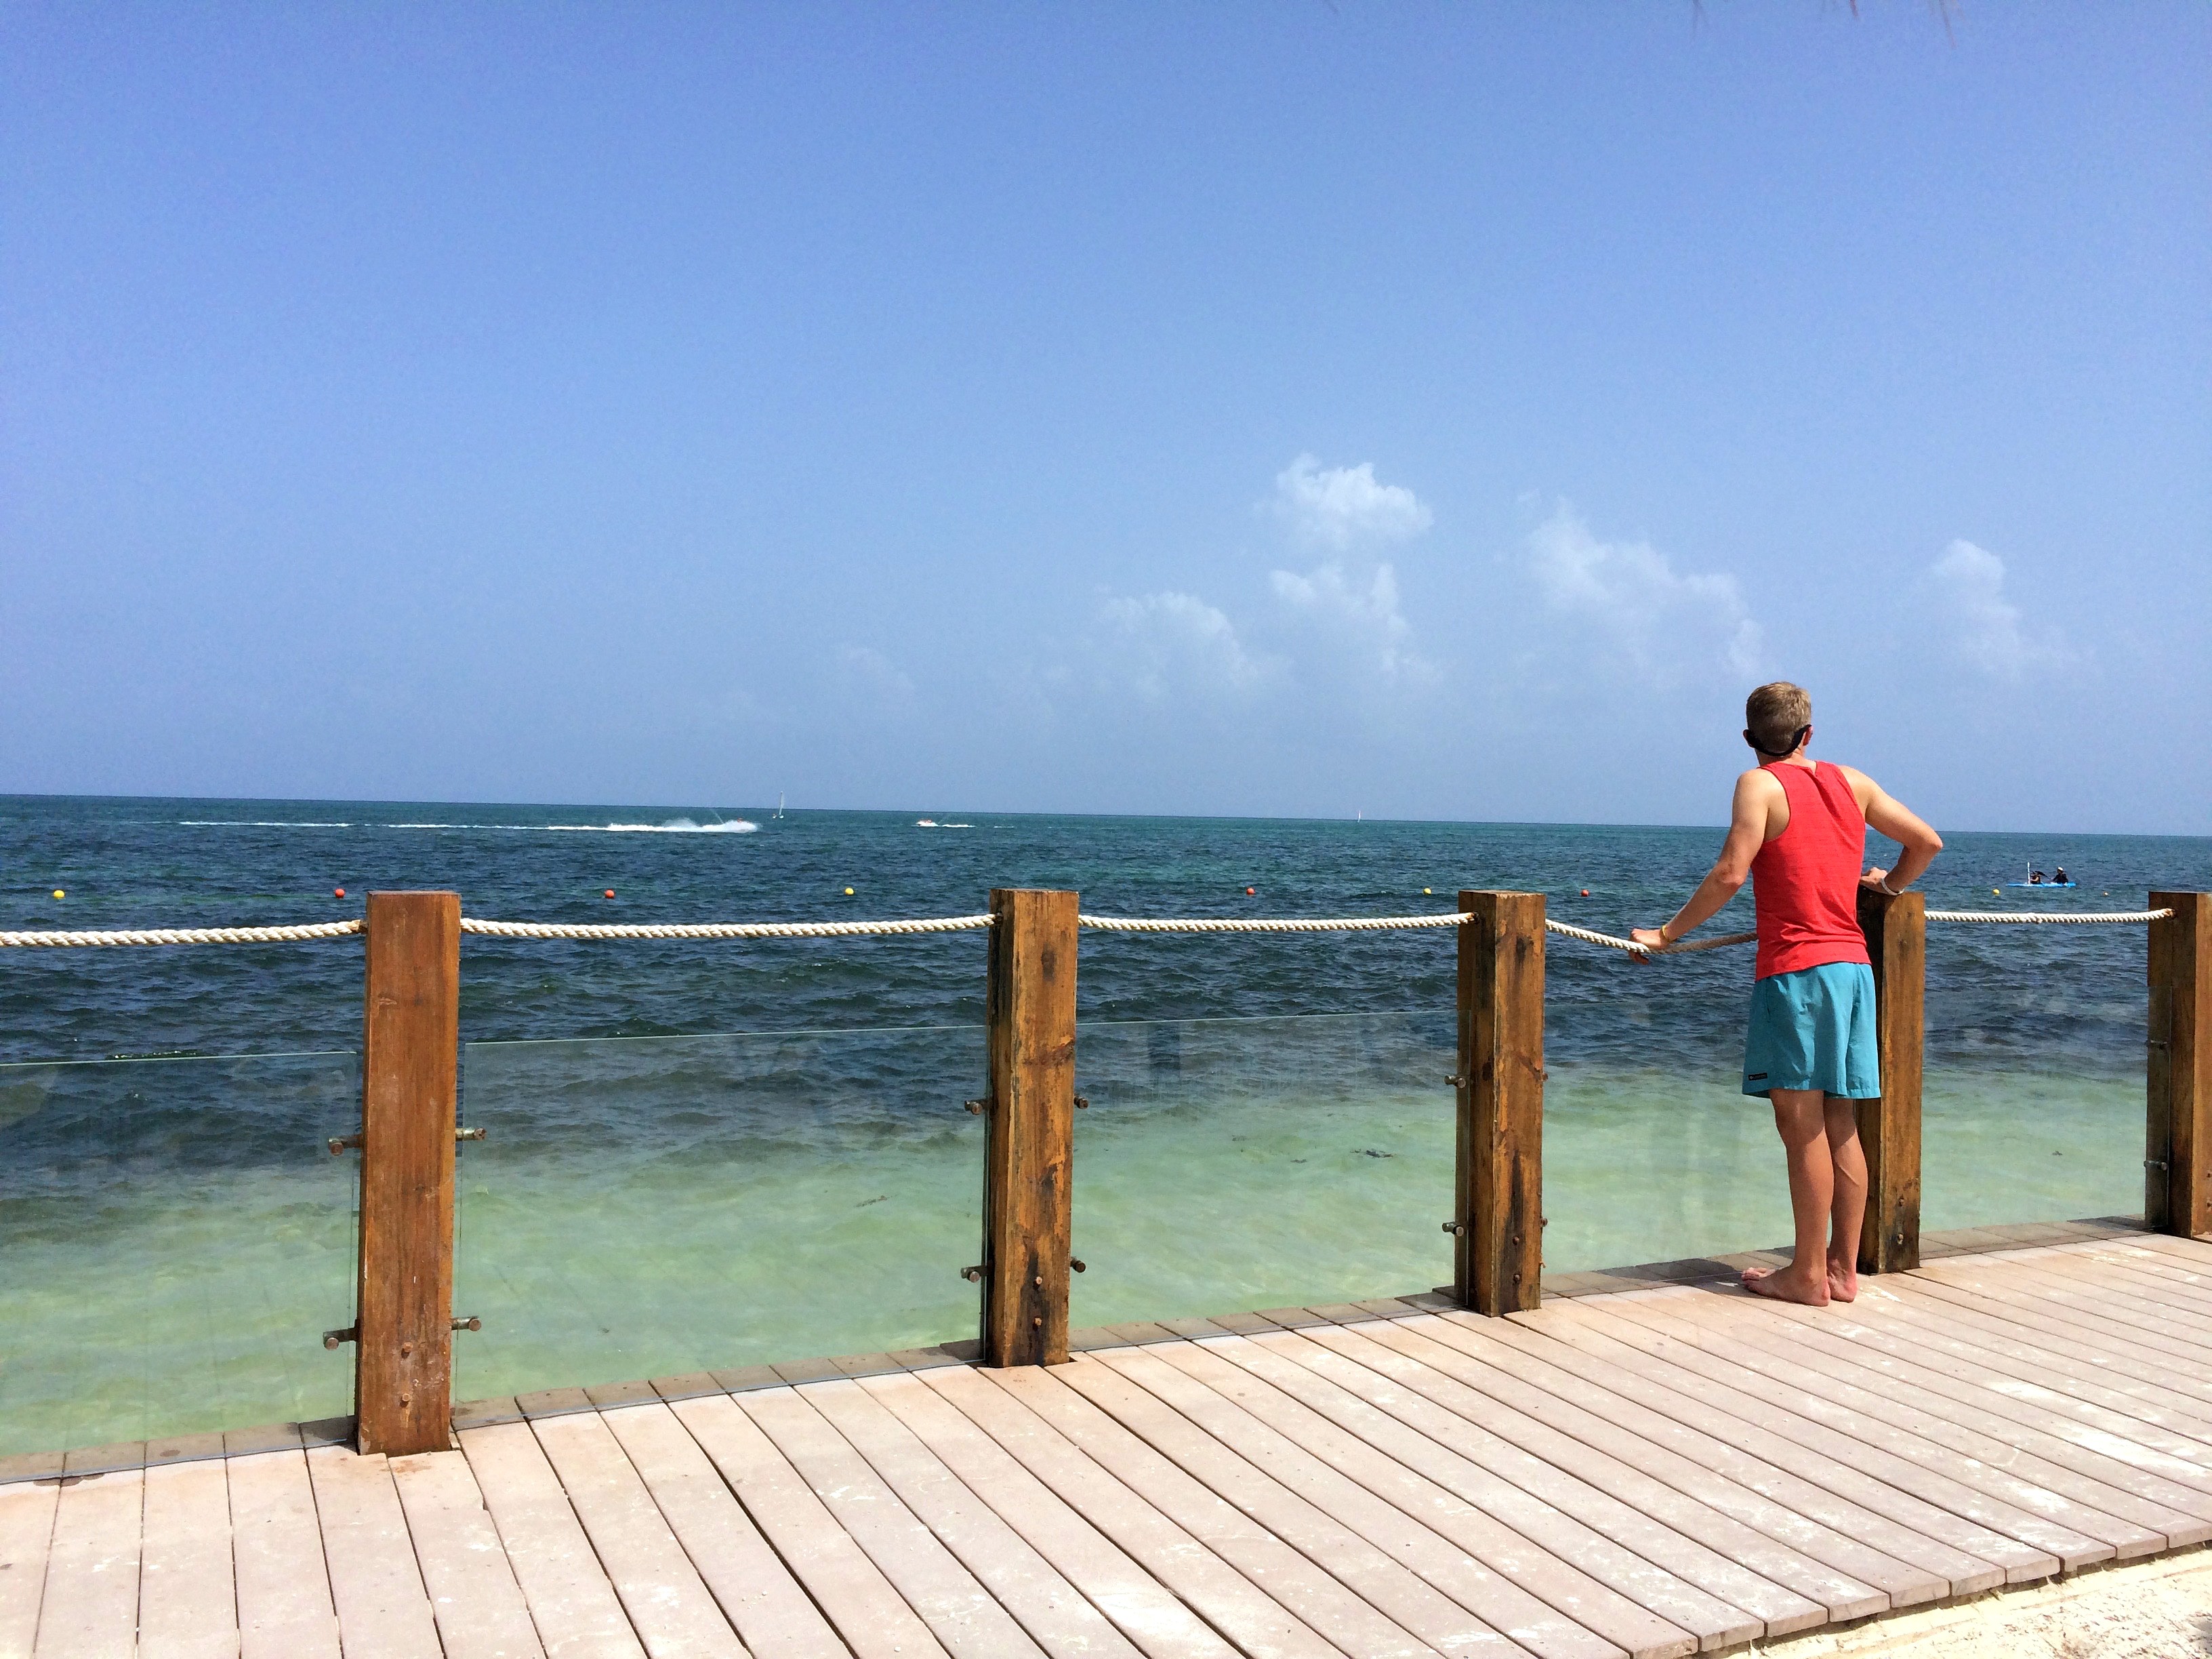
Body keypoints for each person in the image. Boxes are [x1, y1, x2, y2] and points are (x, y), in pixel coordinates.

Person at [1631, 682, 1942, 1305]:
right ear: (1809, 735)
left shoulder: (1758, 786)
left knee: (1801, 1130)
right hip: (1854, 970)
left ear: (1750, 741)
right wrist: (1889, 887)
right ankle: (1841, 1271)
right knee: (1842, 1122)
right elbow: (1926, 842)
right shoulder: (1851, 781)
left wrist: (1666, 935)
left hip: (1797, 972)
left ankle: (1804, 1276)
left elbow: (1729, 873)